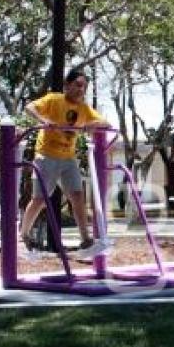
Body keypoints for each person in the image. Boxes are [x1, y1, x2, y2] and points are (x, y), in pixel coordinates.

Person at [19, 68, 111, 259]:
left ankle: (86, 240)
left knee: (77, 195)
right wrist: (44, 120)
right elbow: (29, 107)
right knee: (40, 199)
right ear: (67, 85)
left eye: (84, 87)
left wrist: (89, 125)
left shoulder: (83, 108)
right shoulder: (54, 99)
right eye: (78, 85)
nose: (81, 90)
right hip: (47, 155)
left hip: (68, 158)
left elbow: (105, 123)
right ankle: (24, 234)